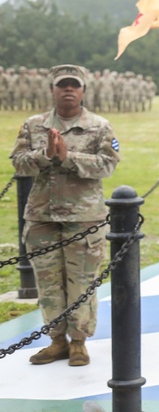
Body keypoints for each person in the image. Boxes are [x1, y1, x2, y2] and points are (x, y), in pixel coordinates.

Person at [11, 64, 120, 367]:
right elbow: (19, 163)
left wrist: (68, 157)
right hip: (42, 217)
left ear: (83, 90)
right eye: (62, 85)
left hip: (83, 218)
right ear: (52, 90)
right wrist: (44, 155)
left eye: (74, 85)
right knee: (48, 284)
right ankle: (56, 341)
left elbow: (107, 165)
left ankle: (79, 343)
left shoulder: (99, 126)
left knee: (81, 283)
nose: (68, 90)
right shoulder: (33, 126)